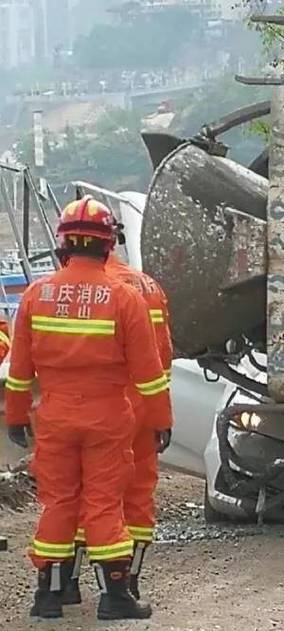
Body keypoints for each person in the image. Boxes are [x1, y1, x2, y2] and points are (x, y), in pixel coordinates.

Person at [4, 196, 172, 621]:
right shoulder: (126, 296)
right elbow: (151, 373)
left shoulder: (36, 294)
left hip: (55, 418)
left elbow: (19, 371)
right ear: (107, 244)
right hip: (108, 418)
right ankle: (116, 597)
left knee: (59, 503)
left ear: (62, 244)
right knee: (103, 503)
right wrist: (160, 420)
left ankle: (49, 595)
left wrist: (16, 417)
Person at [64, 247, 173, 603]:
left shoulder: (92, 289)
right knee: (139, 496)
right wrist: (160, 414)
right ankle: (130, 581)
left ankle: (69, 583)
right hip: (143, 406)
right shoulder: (150, 286)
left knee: (88, 494)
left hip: (102, 408)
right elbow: (164, 358)